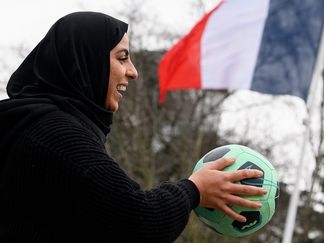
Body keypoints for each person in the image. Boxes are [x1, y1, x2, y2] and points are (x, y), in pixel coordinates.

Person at [0, 12, 266, 243]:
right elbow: (138, 222)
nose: (133, 71)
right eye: (122, 58)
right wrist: (195, 189)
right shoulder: (57, 134)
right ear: (85, 61)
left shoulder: (25, 124)